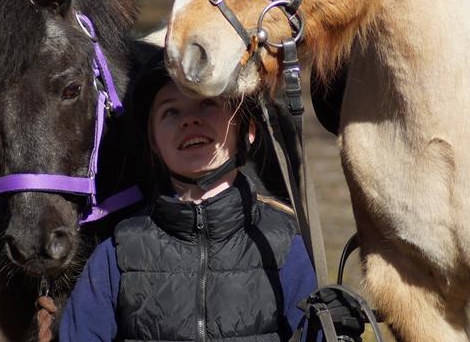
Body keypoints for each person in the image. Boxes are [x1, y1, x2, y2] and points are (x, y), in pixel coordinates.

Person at [59, 50, 317, 342]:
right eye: (171, 111)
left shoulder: (286, 248)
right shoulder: (115, 256)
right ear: (154, 144)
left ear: (248, 130)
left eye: (208, 104)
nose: (190, 120)